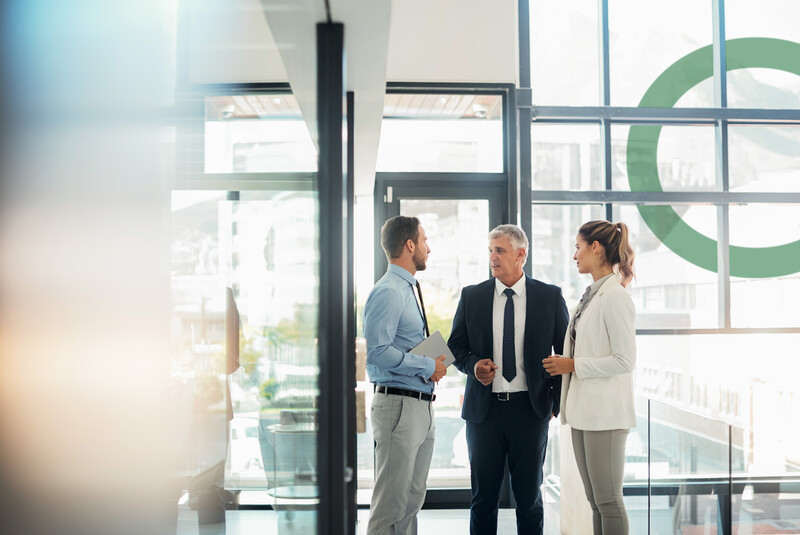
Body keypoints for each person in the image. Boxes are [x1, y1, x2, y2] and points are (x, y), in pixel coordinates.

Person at [448, 224, 569, 535]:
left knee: (529, 500)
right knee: (483, 500)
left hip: (530, 412)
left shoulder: (549, 297)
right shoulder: (472, 296)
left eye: (500, 250)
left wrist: (552, 403)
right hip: (483, 414)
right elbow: (455, 347)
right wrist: (474, 366)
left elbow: (566, 354)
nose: (493, 257)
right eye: (490, 251)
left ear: (521, 254)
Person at [542, 220, 636, 535]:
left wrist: (573, 365)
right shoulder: (592, 295)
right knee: (595, 501)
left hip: (606, 416)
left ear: (596, 248)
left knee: (608, 501)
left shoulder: (615, 297)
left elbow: (625, 360)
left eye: (578, 247)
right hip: (584, 414)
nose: (574, 256)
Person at [364, 215, 448, 535]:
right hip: (399, 407)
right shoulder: (388, 291)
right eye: (424, 241)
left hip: (420, 403)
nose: (429, 248)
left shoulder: (408, 288)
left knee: (412, 500)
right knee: (391, 504)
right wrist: (428, 366)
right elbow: (376, 353)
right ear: (410, 245)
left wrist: (432, 365)